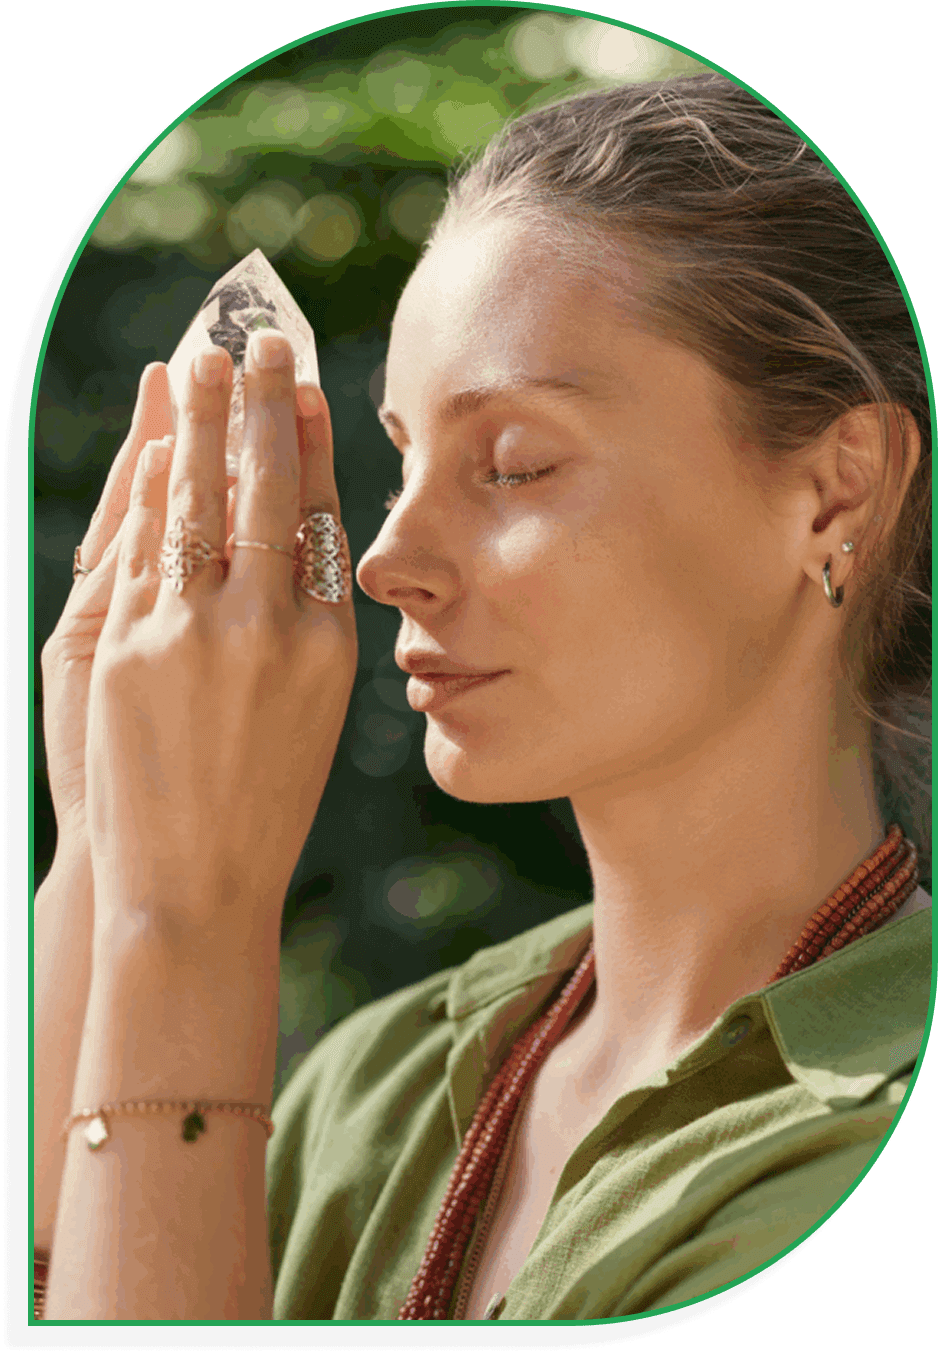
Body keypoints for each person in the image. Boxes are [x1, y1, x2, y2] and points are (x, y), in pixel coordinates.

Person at [34, 71, 931, 1321]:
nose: (390, 557)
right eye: (401, 459)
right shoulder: (371, 1088)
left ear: (835, 491)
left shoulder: (855, 1125)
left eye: (511, 464)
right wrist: (101, 852)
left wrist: (190, 918)